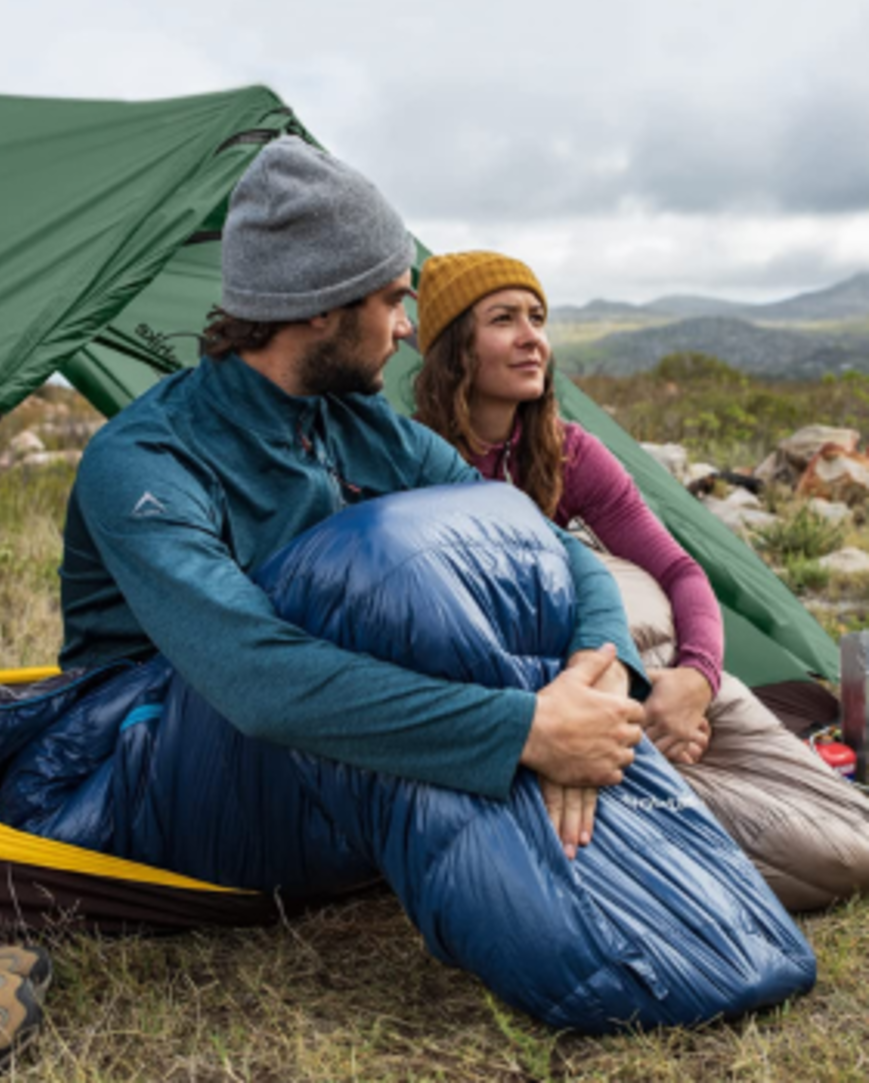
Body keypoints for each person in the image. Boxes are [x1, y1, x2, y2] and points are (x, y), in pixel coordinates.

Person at [59, 135, 647, 863]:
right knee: (375, 560)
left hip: (306, 749)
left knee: (490, 573)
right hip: (143, 757)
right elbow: (256, 678)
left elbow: (539, 541)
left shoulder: (359, 424)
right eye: (394, 299)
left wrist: (604, 665)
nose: (407, 329)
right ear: (319, 308)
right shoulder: (145, 457)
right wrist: (525, 730)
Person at [411, 249, 869, 910]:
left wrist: (694, 678)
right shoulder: (415, 463)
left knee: (853, 823)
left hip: (657, 674)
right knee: (833, 857)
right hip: (561, 706)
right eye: (502, 319)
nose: (530, 336)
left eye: (537, 316)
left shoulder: (567, 451)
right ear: (456, 348)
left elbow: (680, 570)